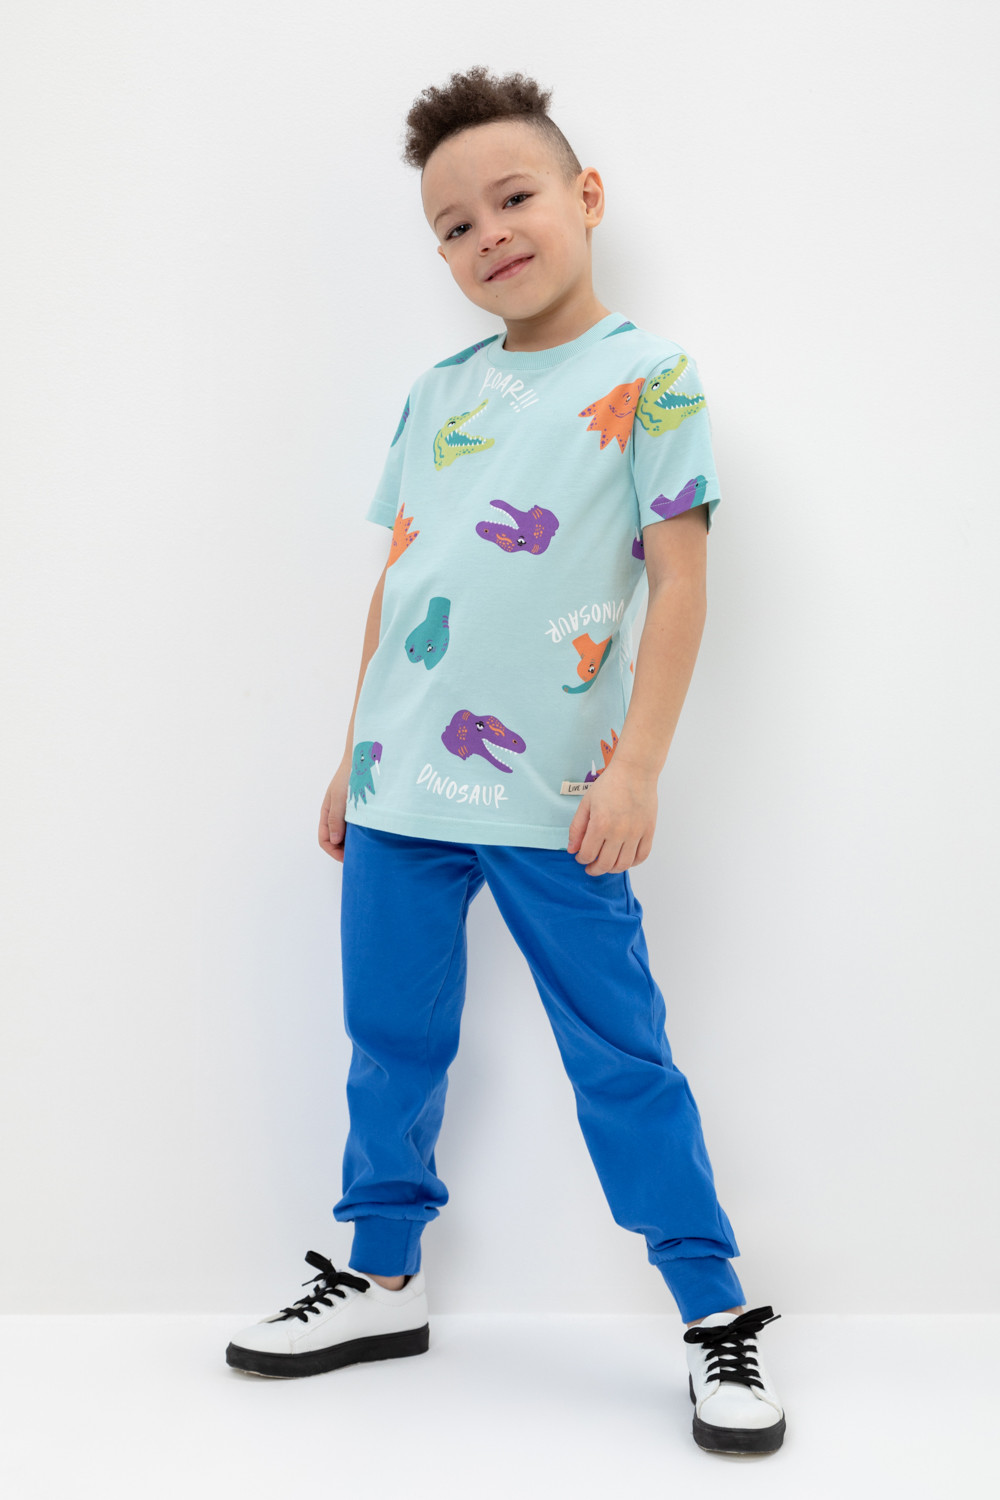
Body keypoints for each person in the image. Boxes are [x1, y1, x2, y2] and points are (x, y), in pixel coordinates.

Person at [226, 65, 786, 1457]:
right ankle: (380, 1279)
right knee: (390, 1043)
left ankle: (714, 1315)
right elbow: (402, 580)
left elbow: (681, 579)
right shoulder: (437, 394)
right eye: (454, 225)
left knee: (623, 1057)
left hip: (554, 799)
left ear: (585, 197)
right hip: (400, 784)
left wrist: (639, 767)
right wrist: (349, 756)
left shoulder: (649, 378)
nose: (489, 235)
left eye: (514, 198)